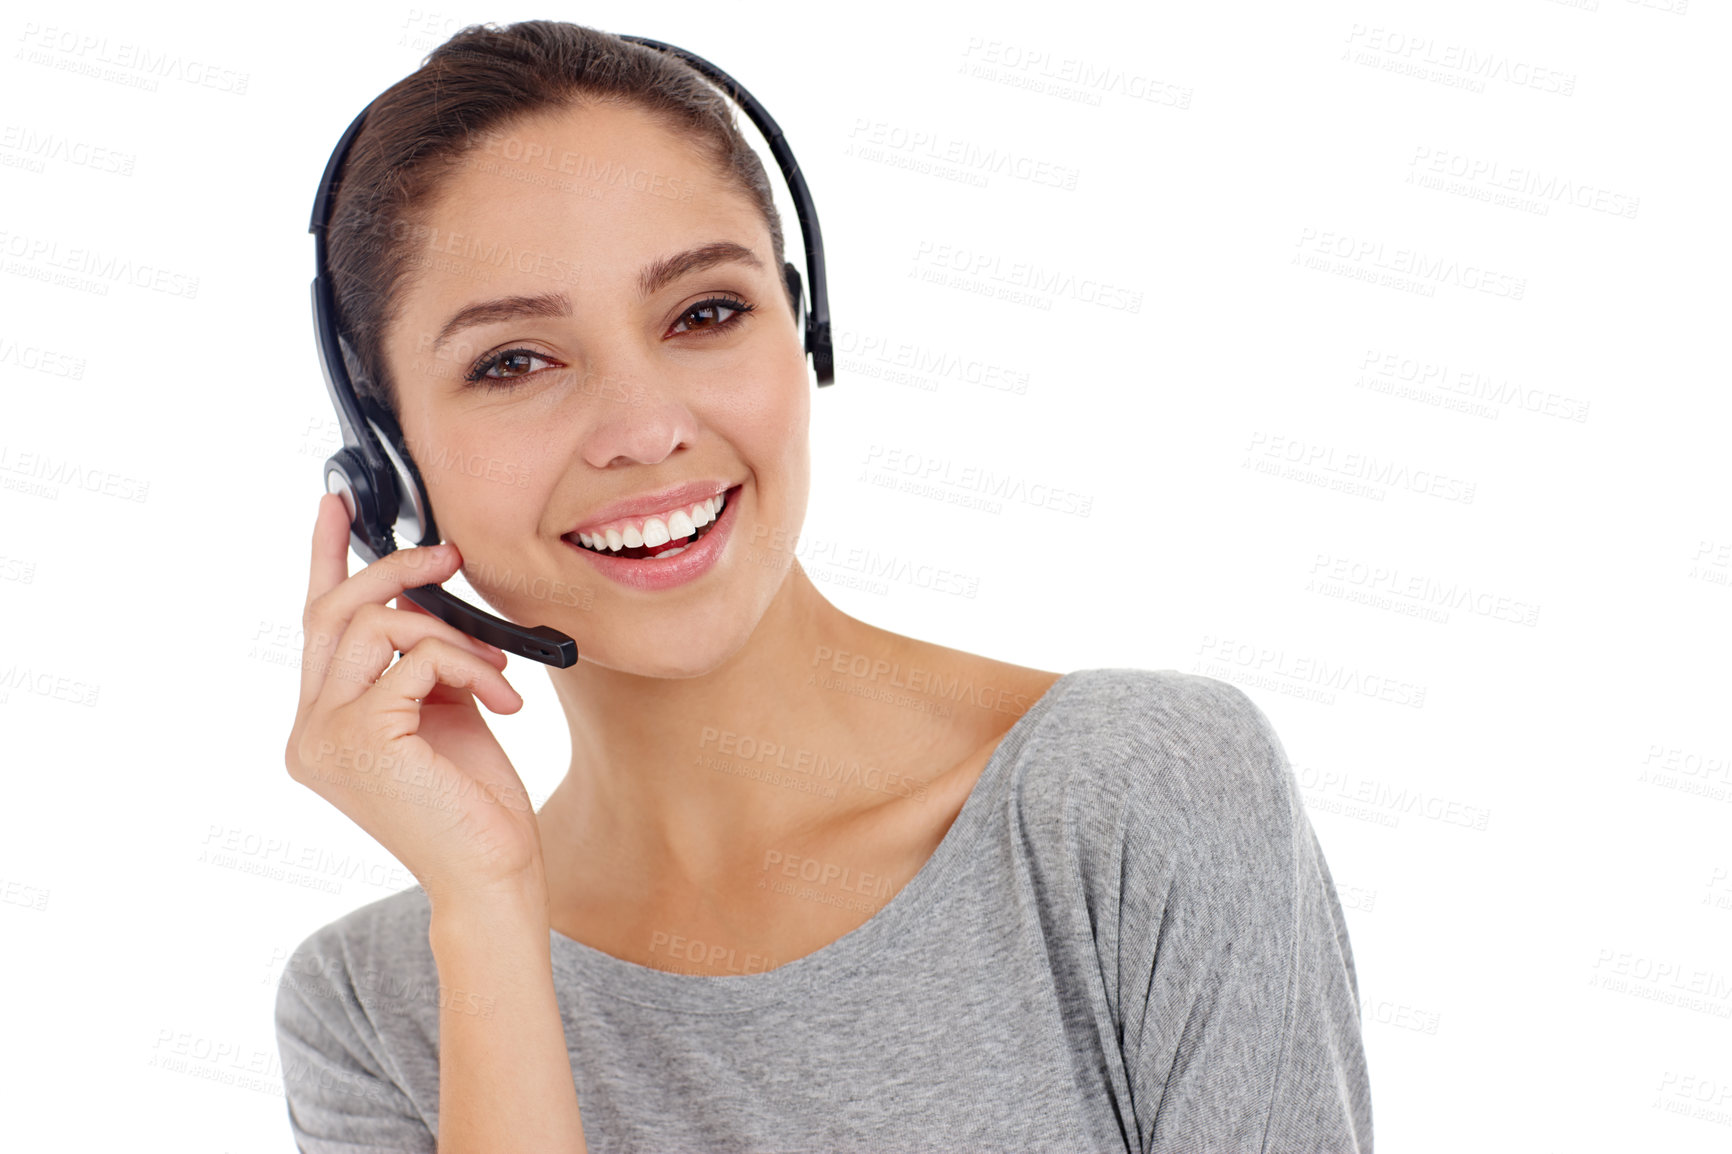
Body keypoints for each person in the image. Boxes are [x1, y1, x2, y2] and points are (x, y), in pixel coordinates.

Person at [275, 19, 1372, 1154]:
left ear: (805, 334)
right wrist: (493, 912)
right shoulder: (377, 1002)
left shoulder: (1138, 791)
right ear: (390, 455)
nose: (647, 430)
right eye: (514, 360)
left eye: (705, 312)